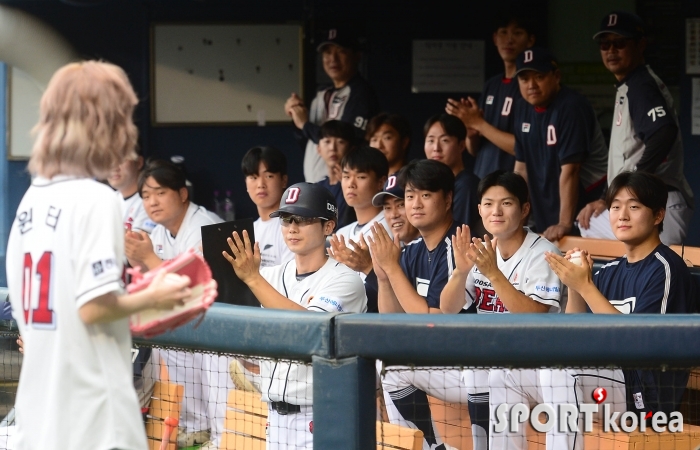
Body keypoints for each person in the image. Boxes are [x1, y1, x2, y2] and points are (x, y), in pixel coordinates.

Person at [5, 61, 191, 450]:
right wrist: (158, 295)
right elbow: (93, 306)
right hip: (93, 420)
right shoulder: (96, 199)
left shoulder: (30, 200)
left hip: (38, 417)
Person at [223, 182, 367, 449]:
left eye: (302, 219)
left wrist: (253, 280)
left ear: (328, 226)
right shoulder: (270, 276)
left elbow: (310, 329)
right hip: (274, 417)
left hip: (323, 414)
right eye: (286, 219)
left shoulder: (346, 281)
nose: (292, 227)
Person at [546, 171, 694, 422]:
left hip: (644, 394)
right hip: (604, 379)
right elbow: (575, 334)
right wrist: (575, 285)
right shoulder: (609, 271)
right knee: (509, 374)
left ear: (658, 215)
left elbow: (638, 341)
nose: (622, 215)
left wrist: (586, 285)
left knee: (560, 375)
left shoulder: (666, 269)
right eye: (615, 207)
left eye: (634, 207)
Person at [440, 171, 563, 450]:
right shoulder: (481, 250)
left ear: (524, 209)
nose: (496, 211)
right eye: (488, 203)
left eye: (506, 203)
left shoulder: (543, 253)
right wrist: (461, 272)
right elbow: (448, 308)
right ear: (479, 209)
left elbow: (533, 315)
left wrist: (494, 274)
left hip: (539, 365)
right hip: (493, 360)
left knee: (492, 372)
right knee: (397, 371)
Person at [124, 159, 225, 449]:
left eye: (159, 193)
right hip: (192, 317)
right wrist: (137, 261)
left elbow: (192, 282)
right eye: (145, 195)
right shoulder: (158, 232)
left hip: (225, 322)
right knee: (164, 338)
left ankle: (215, 434)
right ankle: (195, 426)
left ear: (182, 194)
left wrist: (148, 259)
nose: (151, 202)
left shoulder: (202, 224)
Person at [368, 159, 468, 450]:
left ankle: (429, 446)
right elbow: (392, 319)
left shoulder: (457, 245)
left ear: (448, 199)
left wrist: (393, 268)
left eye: (425, 195)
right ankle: (429, 446)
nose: (415, 204)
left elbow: (432, 322)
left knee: (391, 367)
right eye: (410, 196)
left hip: (472, 363)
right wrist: (384, 277)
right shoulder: (412, 252)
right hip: (440, 362)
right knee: (385, 364)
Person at [577, 11, 694, 245]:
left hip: (658, 202)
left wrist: (634, 181)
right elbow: (626, 157)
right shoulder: (630, 84)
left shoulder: (641, 85)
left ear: (640, 45)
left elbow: (663, 131)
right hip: (640, 202)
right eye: (605, 44)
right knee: (586, 225)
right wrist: (605, 197)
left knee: (660, 275)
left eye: (619, 43)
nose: (611, 50)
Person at [512, 47, 608, 241]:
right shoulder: (523, 107)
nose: (531, 85)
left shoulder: (571, 106)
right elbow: (521, 170)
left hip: (587, 216)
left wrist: (564, 222)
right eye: (524, 79)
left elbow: (571, 170)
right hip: (546, 212)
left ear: (556, 76)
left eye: (539, 77)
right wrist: (515, 217)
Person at [446, 12, 535, 179]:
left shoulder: (531, 88)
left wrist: (479, 124)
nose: (509, 40)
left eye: (517, 33)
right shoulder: (491, 85)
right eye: (503, 32)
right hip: (483, 178)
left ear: (530, 40)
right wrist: (471, 133)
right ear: (495, 38)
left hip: (514, 183)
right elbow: (475, 150)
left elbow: (524, 146)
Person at [284, 27, 380, 182]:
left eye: (341, 51)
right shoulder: (321, 94)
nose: (333, 59)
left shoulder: (361, 93)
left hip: (344, 183)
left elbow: (351, 139)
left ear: (357, 56)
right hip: (317, 182)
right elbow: (306, 140)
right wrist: (296, 116)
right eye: (327, 52)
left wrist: (305, 124)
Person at [329, 173, 420, 313]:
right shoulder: (403, 251)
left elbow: (408, 311)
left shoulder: (431, 250)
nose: (394, 214)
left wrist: (368, 267)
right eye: (387, 208)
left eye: (400, 205)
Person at [424, 114, 482, 236]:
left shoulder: (466, 185)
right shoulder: (438, 185)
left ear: (461, 145)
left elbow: (457, 234)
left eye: (444, 140)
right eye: (430, 140)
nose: (436, 148)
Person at [241, 146, 294, 268]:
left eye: (269, 176)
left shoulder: (292, 226)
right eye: (254, 177)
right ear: (246, 184)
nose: (261, 185)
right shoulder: (251, 230)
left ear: (284, 180)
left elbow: (289, 282)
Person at [333, 145, 391, 244]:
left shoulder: (392, 225)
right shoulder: (341, 234)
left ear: (381, 182)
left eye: (361, 177)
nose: (351, 184)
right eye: (346, 176)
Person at [315, 120, 357, 228]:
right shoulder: (317, 188)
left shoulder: (357, 185)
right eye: (327, 141)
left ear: (351, 148)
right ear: (318, 149)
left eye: (340, 142)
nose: (332, 148)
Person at [107, 148, 156, 233]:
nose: (114, 167)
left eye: (121, 159)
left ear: (139, 163)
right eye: (108, 160)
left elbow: (137, 243)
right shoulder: (107, 199)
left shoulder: (152, 199)